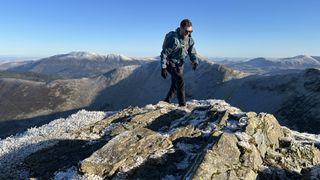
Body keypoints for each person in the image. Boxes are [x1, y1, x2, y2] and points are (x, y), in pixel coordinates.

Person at [160, 19, 199, 107]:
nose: (188, 33)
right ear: (181, 28)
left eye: (191, 31)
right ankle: (182, 105)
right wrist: (163, 67)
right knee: (180, 80)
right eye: (187, 31)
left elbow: (191, 52)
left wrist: (195, 61)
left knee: (175, 84)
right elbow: (164, 53)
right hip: (170, 63)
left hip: (180, 64)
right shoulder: (174, 40)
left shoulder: (190, 40)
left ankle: (167, 101)